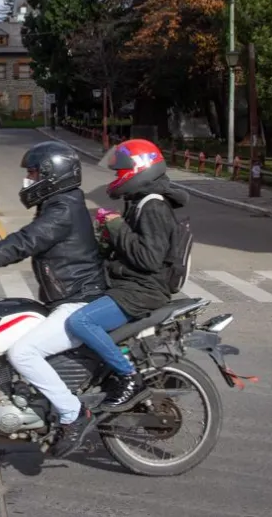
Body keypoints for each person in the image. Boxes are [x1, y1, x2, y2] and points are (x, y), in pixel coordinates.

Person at [0, 140, 107, 458]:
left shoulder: (62, 209)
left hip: (78, 301)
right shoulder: (61, 203)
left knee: (23, 352)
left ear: (53, 174)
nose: (28, 181)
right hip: (67, 297)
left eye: (33, 174)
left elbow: (25, 242)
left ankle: (73, 415)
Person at [64, 138, 189, 418]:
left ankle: (127, 376)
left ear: (140, 169)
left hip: (142, 290)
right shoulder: (141, 201)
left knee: (81, 321)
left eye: (121, 172)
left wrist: (116, 225)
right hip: (132, 284)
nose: (117, 177)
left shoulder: (153, 205)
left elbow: (148, 258)